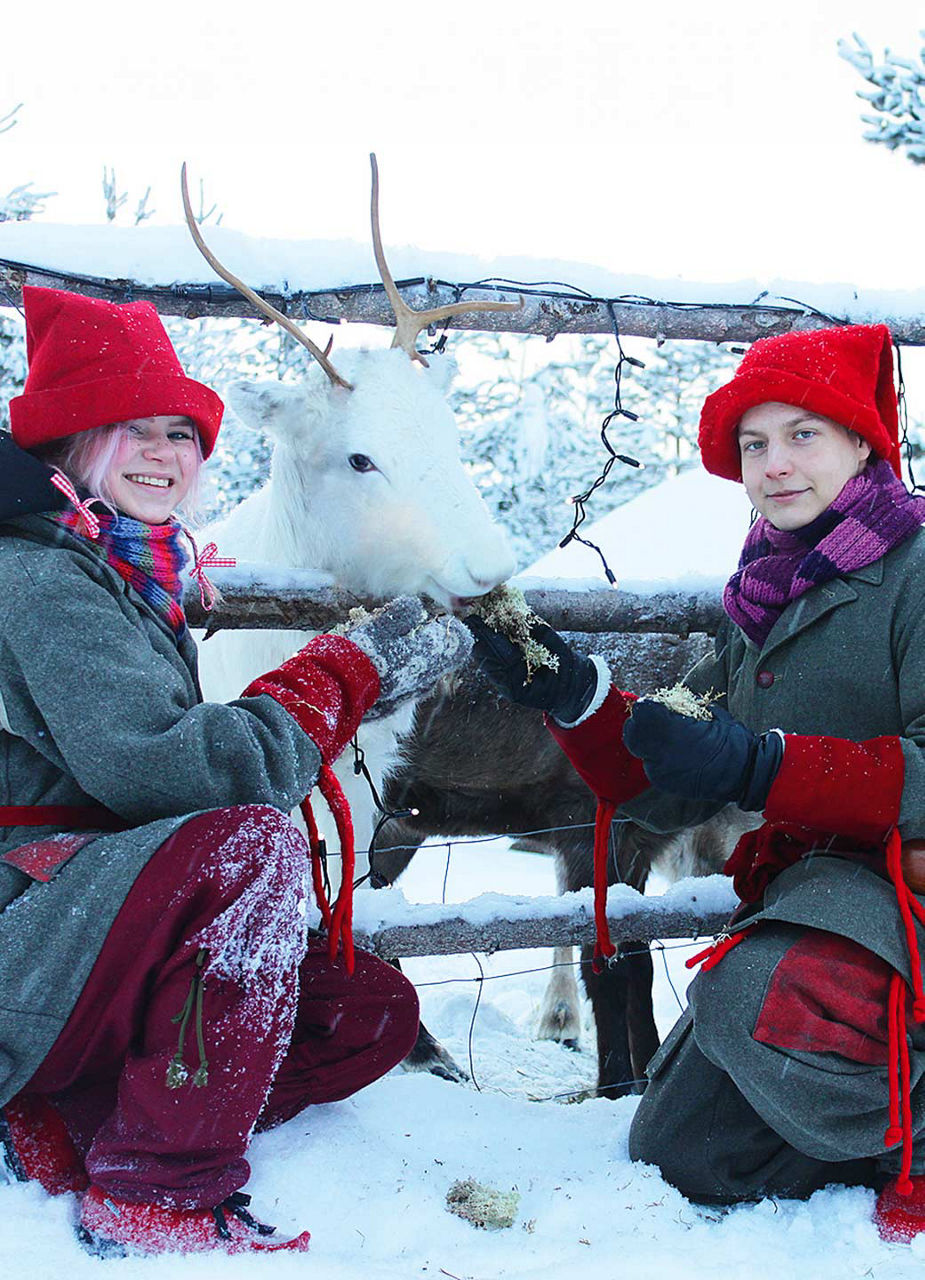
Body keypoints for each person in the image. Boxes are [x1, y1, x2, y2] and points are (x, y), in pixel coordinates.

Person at [0, 286, 473, 1257]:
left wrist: (348, 686)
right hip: (26, 922)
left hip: (89, 918)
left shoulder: (118, 568)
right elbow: (175, 773)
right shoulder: (40, 577)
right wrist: (336, 677)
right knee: (250, 847)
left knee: (366, 1014)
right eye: (127, 428)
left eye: (181, 431)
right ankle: (157, 1190)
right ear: (66, 442)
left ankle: (79, 1107)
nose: (166, 453)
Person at [466, 323, 925, 1244]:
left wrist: (766, 765)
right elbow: (669, 783)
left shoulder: (914, 572)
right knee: (682, 1145)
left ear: (864, 445)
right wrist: (571, 695)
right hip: (817, 896)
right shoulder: (763, 596)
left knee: (741, 1035)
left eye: (804, 435)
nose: (773, 464)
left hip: (900, 889)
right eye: (754, 444)